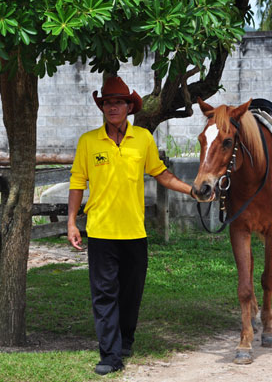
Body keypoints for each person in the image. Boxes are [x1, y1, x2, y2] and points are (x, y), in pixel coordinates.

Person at [67, 76, 192, 375]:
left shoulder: (144, 140)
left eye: (118, 102)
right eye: (107, 103)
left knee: (131, 293)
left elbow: (161, 174)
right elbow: (77, 182)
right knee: (104, 294)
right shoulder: (88, 141)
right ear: (103, 108)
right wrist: (72, 221)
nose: (113, 108)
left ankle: (125, 339)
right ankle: (110, 355)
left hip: (135, 232)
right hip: (100, 232)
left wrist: (192, 190)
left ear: (128, 107)